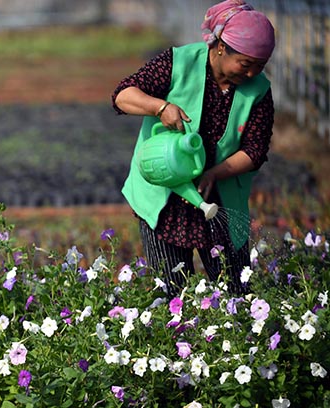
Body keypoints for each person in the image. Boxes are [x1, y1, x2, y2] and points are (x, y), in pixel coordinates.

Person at [112, 0, 275, 296]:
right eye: (246, 64)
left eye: (260, 66)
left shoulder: (259, 89)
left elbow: (255, 150)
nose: (252, 74)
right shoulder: (178, 62)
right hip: (165, 197)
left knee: (235, 292)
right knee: (173, 294)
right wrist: (160, 107)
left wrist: (213, 174)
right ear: (222, 46)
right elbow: (123, 96)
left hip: (218, 198)